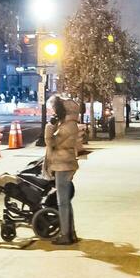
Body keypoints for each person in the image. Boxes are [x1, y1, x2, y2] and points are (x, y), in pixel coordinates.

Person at [43, 96, 80, 245]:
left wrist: (49, 127)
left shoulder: (66, 127)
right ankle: (71, 232)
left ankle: (65, 235)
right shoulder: (69, 125)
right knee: (66, 201)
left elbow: (51, 141)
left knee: (62, 202)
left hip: (62, 164)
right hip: (64, 163)